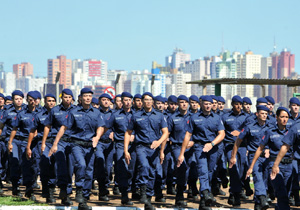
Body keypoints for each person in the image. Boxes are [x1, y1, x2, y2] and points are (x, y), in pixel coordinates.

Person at [49, 88, 107, 210]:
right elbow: (64, 128)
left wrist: (97, 137)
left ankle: (83, 200)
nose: (87, 98)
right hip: (76, 144)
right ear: (80, 98)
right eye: (85, 96)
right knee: (81, 165)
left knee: (89, 171)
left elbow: (101, 127)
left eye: (89, 96)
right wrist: (55, 144)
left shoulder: (96, 113)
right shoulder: (74, 112)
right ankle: (79, 189)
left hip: (90, 146)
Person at [178, 95, 225, 210]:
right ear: (201, 104)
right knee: (203, 171)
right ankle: (205, 192)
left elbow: (222, 134)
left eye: (210, 104)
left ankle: (203, 202)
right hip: (200, 147)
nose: (208, 106)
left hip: (213, 148)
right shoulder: (194, 118)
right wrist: (182, 153)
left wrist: (212, 144)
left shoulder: (217, 118)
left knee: (209, 172)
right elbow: (187, 135)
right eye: (206, 104)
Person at [124, 92, 168, 209]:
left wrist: (159, 143)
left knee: (153, 173)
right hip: (141, 146)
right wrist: (126, 150)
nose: (148, 102)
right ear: (142, 102)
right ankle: (142, 190)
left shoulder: (159, 116)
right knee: (144, 166)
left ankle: (148, 199)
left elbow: (165, 133)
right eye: (146, 100)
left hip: (154, 148)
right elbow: (128, 133)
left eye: (150, 100)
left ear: (152, 102)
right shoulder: (136, 116)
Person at [247, 107, 292, 210]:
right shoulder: (270, 132)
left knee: (287, 192)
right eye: (282, 117)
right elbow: (260, 148)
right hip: (274, 165)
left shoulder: (291, 131)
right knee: (281, 191)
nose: (284, 119)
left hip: (289, 165)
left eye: (286, 117)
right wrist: (252, 165)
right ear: (276, 117)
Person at [230, 105, 273, 210]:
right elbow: (238, 141)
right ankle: (262, 197)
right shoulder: (249, 126)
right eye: (262, 113)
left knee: (265, 179)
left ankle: (258, 203)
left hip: (267, 157)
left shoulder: (271, 127)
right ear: (257, 114)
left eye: (266, 114)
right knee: (258, 177)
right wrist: (233, 156)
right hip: (253, 156)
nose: (264, 116)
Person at [44, 89, 75, 206]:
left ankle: (66, 191)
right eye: (65, 97)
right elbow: (47, 126)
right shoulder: (55, 110)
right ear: (61, 98)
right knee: (60, 165)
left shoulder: (76, 110)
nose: (67, 99)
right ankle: (63, 191)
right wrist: (44, 143)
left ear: (72, 98)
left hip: (72, 142)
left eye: (69, 97)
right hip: (58, 142)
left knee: (70, 168)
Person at [7, 91, 39, 200]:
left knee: (34, 165)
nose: (32, 102)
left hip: (35, 143)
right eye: (30, 99)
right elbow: (14, 129)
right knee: (18, 163)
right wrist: (10, 142)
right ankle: (18, 187)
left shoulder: (41, 113)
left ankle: (30, 186)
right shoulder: (21, 114)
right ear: (27, 100)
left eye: (35, 99)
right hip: (20, 141)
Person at [106, 92, 136, 205]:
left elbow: (143, 129)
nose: (127, 102)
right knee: (122, 168)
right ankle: (124, 195)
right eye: (125, 100)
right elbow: (106, 127)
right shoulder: (115, 115)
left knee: (132, 170)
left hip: (133, 146)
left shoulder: (137, 114)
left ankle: (131, 190)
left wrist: (135, 135)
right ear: (121, 102)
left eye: (129, 100)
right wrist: (111, 133)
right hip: (120, 145)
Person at [26, 93, 57, 203]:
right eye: (49, 101)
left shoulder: (59, 113)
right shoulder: (39, 114)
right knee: (44, 165)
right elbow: (32, 131)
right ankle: (46, 189)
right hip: (42, 143)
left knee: (54, 166)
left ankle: (51, 189)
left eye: (53, 100)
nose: (51, 103)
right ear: (45, 101)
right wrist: (28, 147)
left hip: (56, 143)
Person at [220, 95, 248, 206]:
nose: (239, 106)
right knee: (233, 169)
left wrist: (240, 133)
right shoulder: (225, 116)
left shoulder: (246, 117)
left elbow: (249, 129)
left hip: (242, 147)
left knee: (241, 171)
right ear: (232, 104)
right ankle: (236, 196)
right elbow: (220, 130)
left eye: (240, 104)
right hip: (230, 146)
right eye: (236, 104)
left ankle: (233, 192)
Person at [167, 95, 194, 207]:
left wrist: (193, 142)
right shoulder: (172, 118)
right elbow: (167, 134)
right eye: (181, 102)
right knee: (181, 168)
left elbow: (198, 133)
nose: (184, 104)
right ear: (178, 104)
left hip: (191, 147)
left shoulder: (193, 117)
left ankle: (187, 190)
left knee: (190, 170)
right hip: (177, 147)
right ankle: (179, 196)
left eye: (185, 102)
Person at [0, 90, 24, 196]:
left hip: (24, 140)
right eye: (16, 99)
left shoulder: (26, 111)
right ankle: (15, 186)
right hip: (11, 140)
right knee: (14, 161)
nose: (18, 101)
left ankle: (25, 185)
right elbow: (1, 126)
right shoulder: (7, 111)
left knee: (23, 163)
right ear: (12, 100)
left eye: (20, 99)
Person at [95, 93, 115, 200]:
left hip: (110, 144)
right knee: (100, 162)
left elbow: (120, 127)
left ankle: (105, 186)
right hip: (99, 143)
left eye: (108, 99)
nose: (106, 101)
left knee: (108, 167)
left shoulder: (114, 113)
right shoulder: (95, 113)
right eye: (103, 99)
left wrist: (114, 134)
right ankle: (102, 189)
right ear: (99, 101)